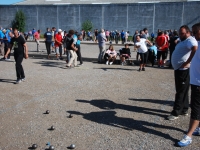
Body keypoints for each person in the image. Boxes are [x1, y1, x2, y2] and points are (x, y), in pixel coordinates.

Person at [168, 25, 198, 121]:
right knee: (183, 90)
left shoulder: (190, 40)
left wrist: (187, 62)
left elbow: (195, 48)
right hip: (179, 69)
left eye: (182, 33)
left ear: (188, 32)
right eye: (180, 33)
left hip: (183, 70)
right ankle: (184, 109)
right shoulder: (184, 40)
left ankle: (176, 112)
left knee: (180, 91)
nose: (180, 35)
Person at [177, 22, 200, 147]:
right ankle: (199, 128)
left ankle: (189, 135)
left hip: (199, 83)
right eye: (193, 32)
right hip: (195, 81)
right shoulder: (197, 42)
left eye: (196, 31)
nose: (194, 34)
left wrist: (187, 63)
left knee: (196, 109)